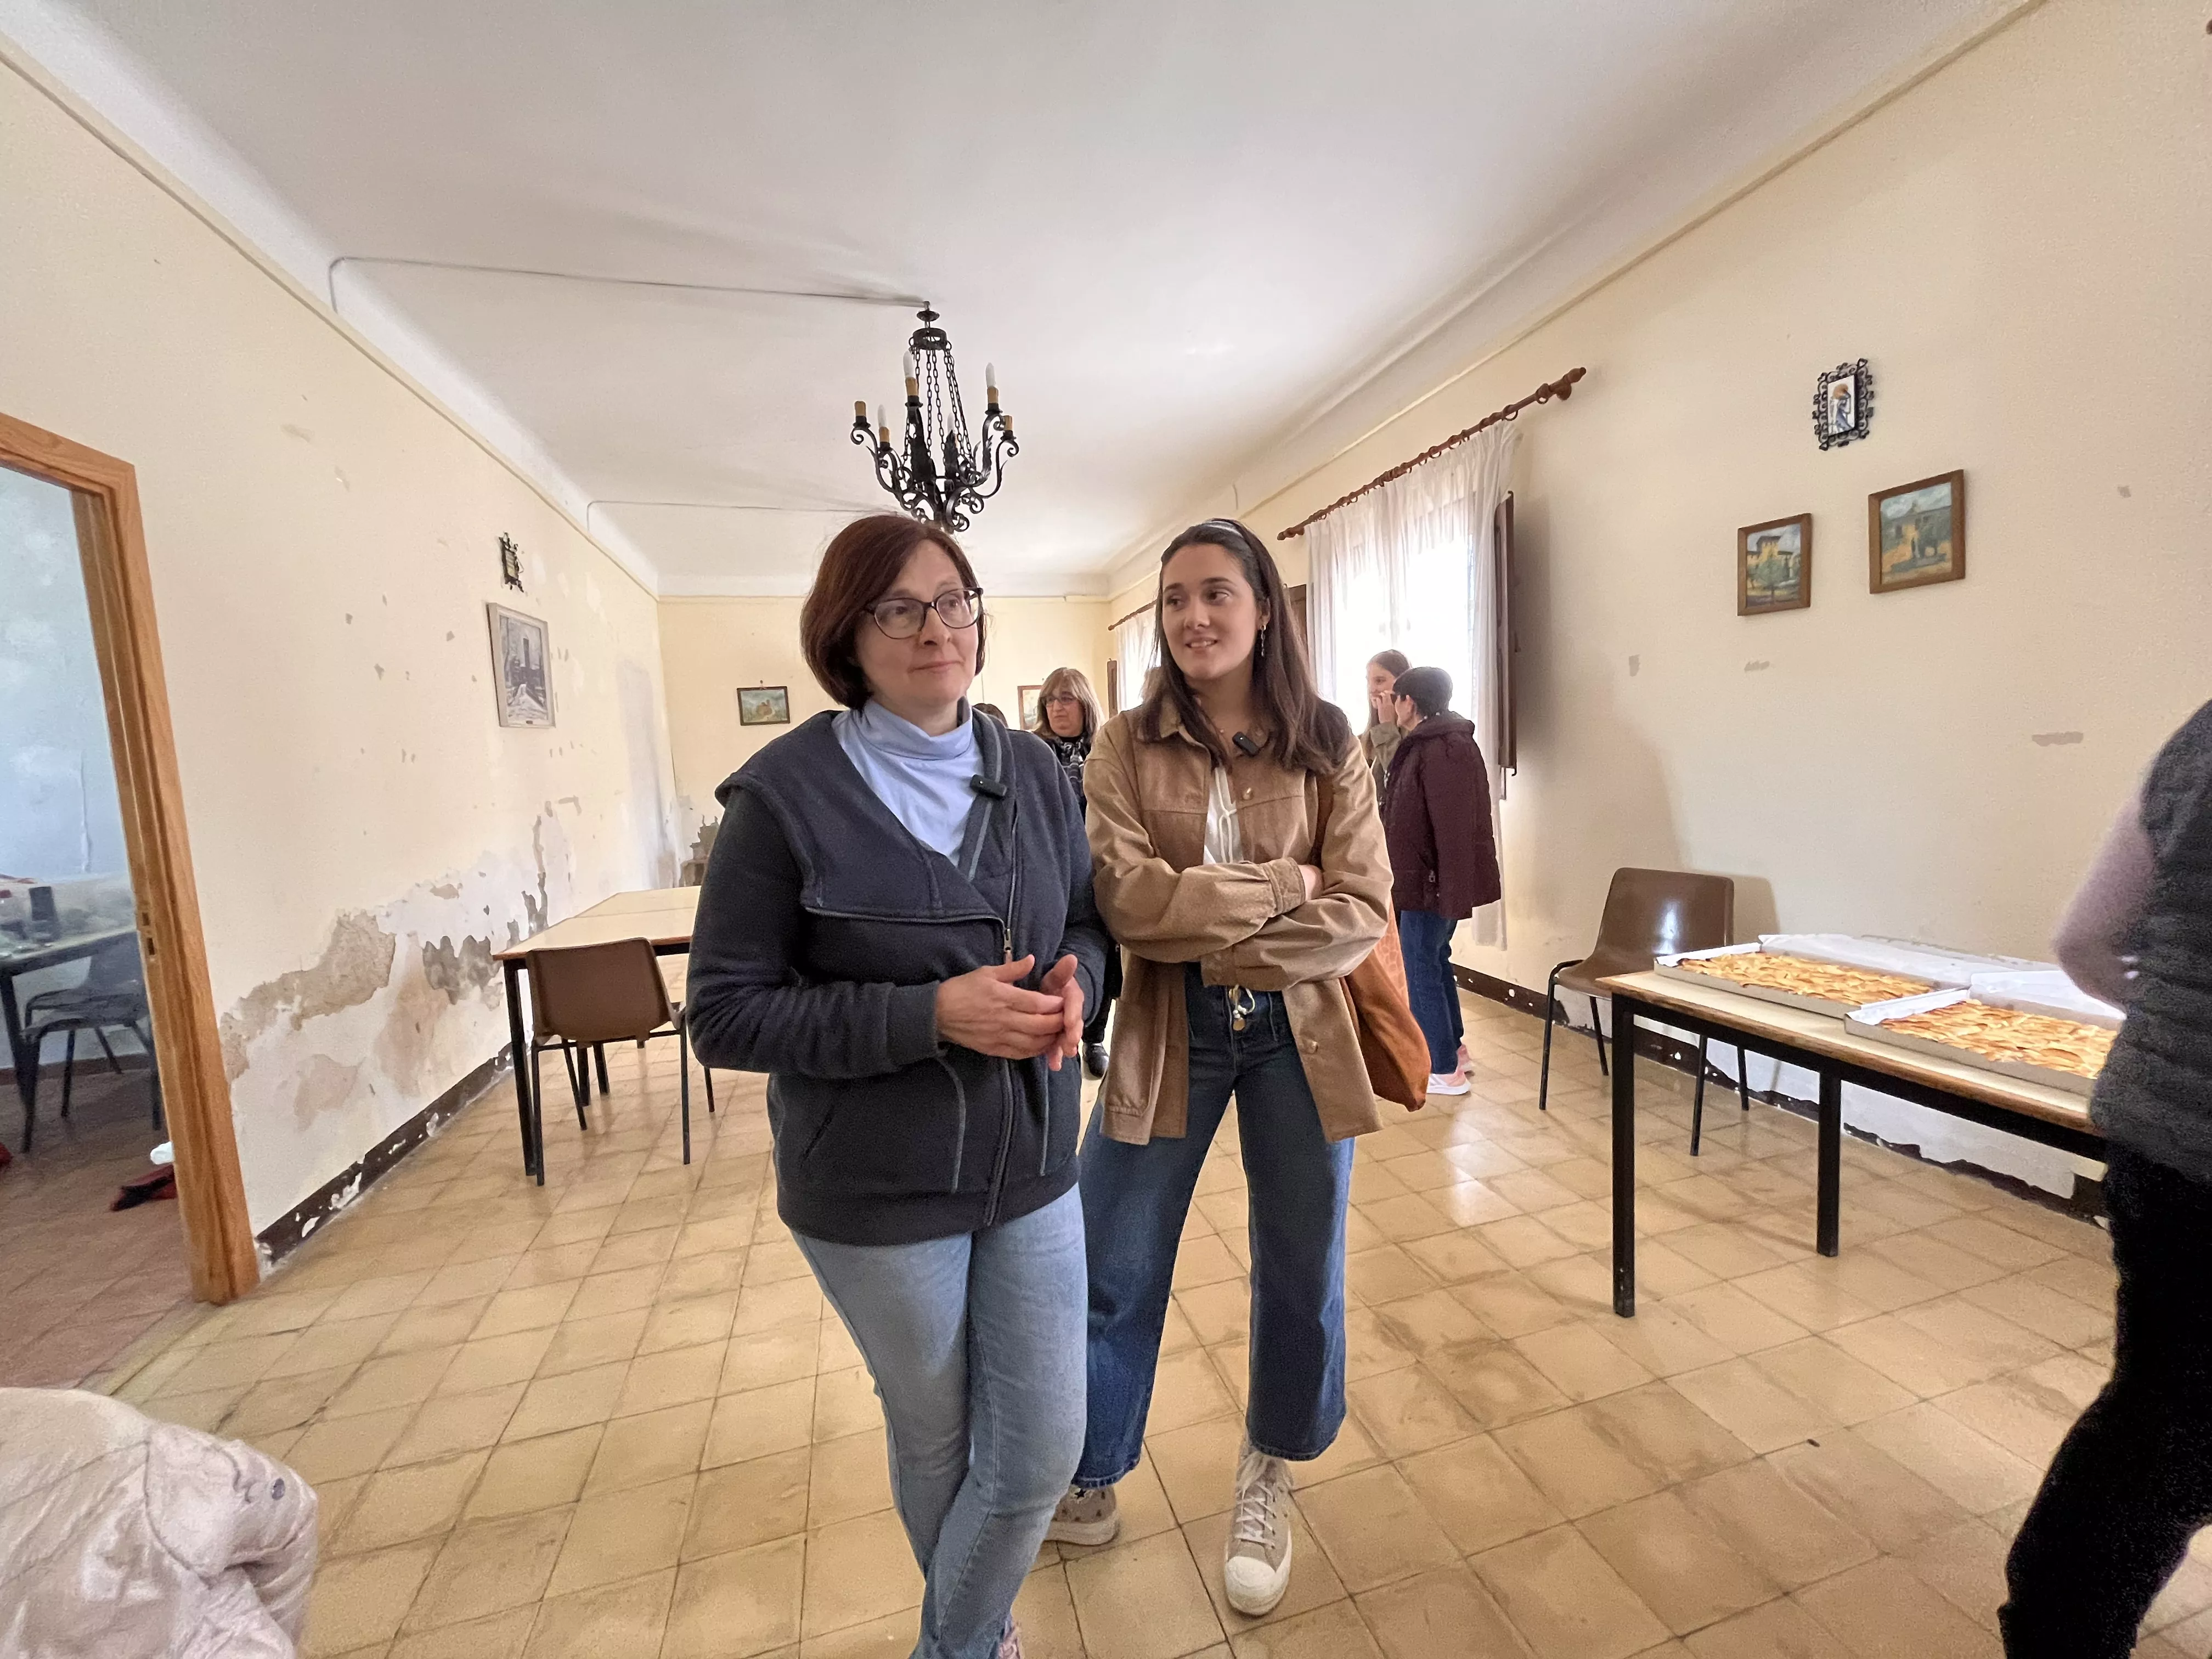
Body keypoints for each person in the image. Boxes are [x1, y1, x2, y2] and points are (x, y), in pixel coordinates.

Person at [686, 514, 1107, 1659]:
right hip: (875, 1189)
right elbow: (721, 1014)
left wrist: (1082, 989)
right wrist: (929, 1015)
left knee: (1038, 1454)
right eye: (902, 609)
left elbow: (1080, 921)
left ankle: (950, 1646)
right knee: (940, 1439)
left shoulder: (1031, 770)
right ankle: (983, 1642)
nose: (939, 629)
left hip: (1032, 1159)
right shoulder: (782, 799)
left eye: (957, 600)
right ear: (848, 633)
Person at [1047, 518, 1392, 1617]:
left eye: (1216, 594)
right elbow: (1128, 902)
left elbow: (1366, 909)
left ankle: (1268, 1464)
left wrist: (1221, 922)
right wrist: (1285, 887)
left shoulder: (1329, 737)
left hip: (1302, 1033)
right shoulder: (1121, 747)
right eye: (1176, 598)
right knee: (1113, 1252)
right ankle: (1093, 1466)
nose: (1194, 617)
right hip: (1167, 1029)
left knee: (1303, 1262)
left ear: (1262, 609)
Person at [2000, 698, 2212, 1659]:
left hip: (2161, 1128)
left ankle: (2053, 1629)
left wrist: (2175, 1009)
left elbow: (2084, 936)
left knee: (2158, 1415)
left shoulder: (2202, 732)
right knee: (2171, 1428)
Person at [1380, 666, 1500, 1096]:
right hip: (1428, 878)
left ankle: (1442, 1065)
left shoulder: (1441, 748)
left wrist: (1442, 886)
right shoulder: (1438, 743)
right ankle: (1454, 1050)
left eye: (1394, 697)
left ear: (1409, 703)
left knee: (1421, 964)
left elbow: (1450, 827)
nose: (1391, 705)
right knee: (1434, 958)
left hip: (1427, 881)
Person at [1032, 665, 1121, 1077]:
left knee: (1104, 953)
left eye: (1066, 699)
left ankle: (1095, 1036)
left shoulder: (1109, 751)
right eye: (1050, 700)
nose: (1056, 708)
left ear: (1085, 704)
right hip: (1054, 871)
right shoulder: (1033, 754)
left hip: (1103, 868)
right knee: (1063, 952)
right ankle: (1062, 1026)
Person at [1359, 649, 1410, 798]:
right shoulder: (1364, 737)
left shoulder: (1417, 733)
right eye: (1369, 681)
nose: (1372, 689)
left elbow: (1401, 781)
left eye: (1380, 681)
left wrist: (1387, 727)